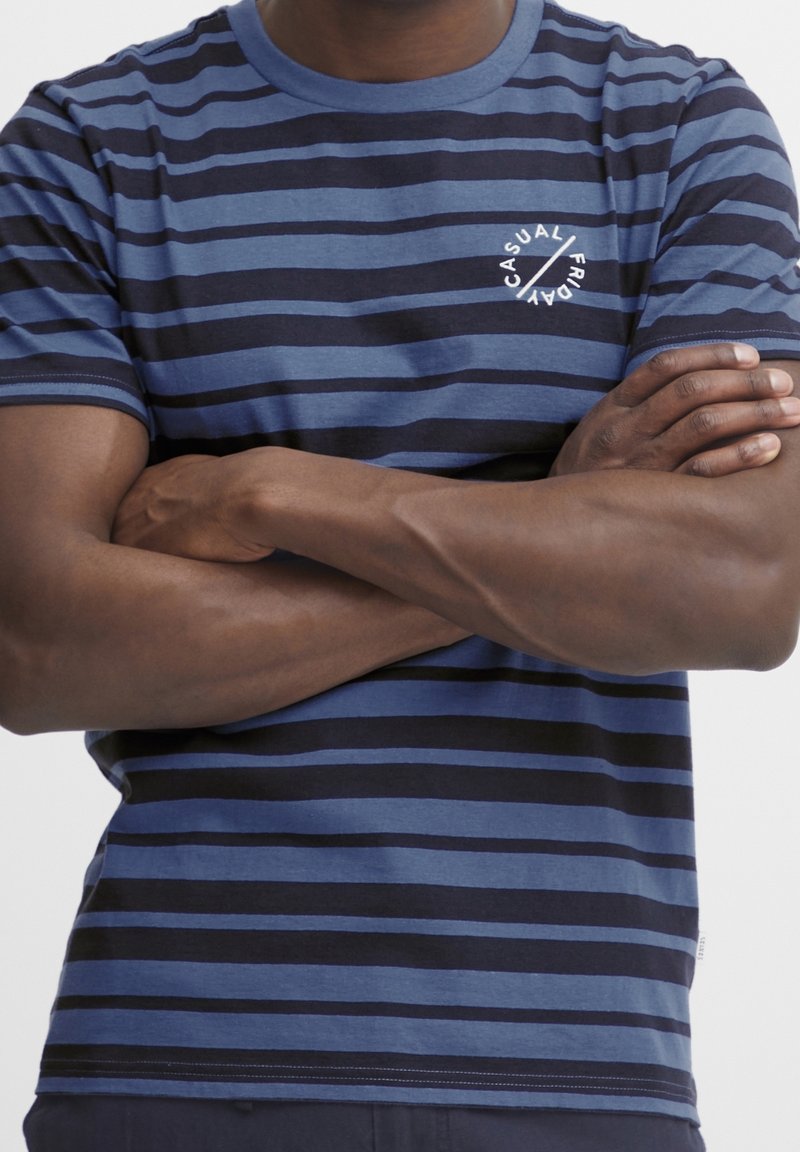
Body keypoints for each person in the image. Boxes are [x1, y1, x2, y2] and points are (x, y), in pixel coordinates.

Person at [2, 0, 799, 1149]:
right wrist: (553, 515)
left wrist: (270, 494)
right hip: (181, 1057)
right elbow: (35, 645)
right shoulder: (89, 144)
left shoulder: (673, 124)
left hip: (572, 1071)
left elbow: (740, 587)